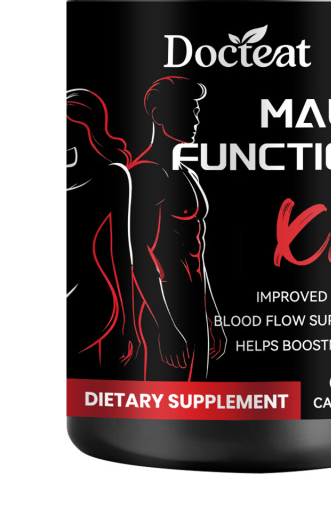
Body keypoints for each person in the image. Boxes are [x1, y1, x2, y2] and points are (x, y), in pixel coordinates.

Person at [130, 76, 226, 380]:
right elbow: (139, 254)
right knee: (163, 395)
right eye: (186, 111)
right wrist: (165, 326)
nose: (195, 119)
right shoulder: (146, 174)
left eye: (195, 111)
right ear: (159, 115)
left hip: (195, 303)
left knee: (200, 392)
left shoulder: (189, 176)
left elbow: (199, 252)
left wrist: (213, 316)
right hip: (163, 303)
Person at [66, 89, 137, 374]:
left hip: (93, 295)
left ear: (82, 125)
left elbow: (121, 249)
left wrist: (129, 321)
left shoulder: (113, 174)